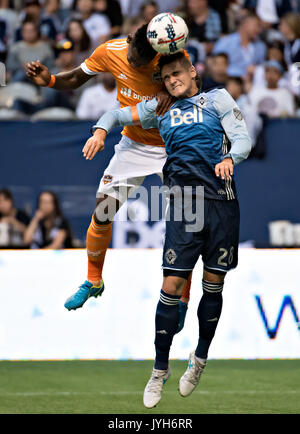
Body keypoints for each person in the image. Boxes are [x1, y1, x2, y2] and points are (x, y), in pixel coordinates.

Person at [88, 50, 252, 408]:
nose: (172, 80)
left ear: (193, 71)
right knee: (171, 286)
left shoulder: (218, 98)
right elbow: (116, 114)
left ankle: (200, 359)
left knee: (214, 284)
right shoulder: (158, 107)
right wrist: (101, 130)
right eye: (166, 77)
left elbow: (243, 139)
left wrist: (229, 158)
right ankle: (159, 371)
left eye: (178, 73)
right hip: (186, 202)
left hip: (223, 202)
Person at [25, 23, 192, 320]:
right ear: (127, 41)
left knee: (185, 224)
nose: (134, 64)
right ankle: (93, 281)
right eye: (132, 58)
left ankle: (181, 298)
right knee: (102, 212)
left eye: (141, 62)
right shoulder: (111, 51)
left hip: (172, 145)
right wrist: (49, 79)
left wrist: (178, 93)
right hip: (134, 144)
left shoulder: (170, 57)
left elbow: (196, 82)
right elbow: (76, 77)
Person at [213, 10, 266, 77]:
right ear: (245, 23)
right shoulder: (225, 43)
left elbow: (262, 67)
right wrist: (242, 74)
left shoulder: (261, 46)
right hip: (228, 82)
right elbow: (216, 68)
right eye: (257, 25)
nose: (259, 30)